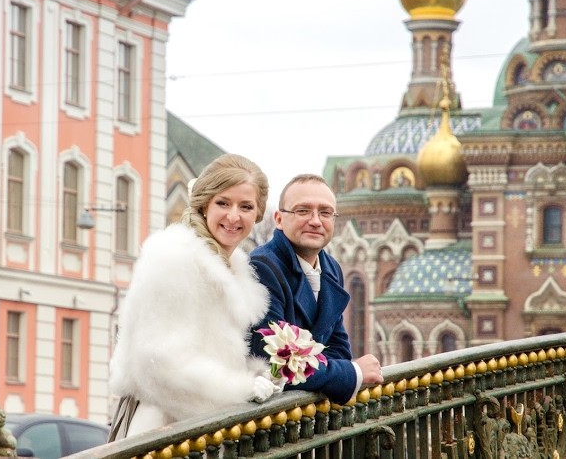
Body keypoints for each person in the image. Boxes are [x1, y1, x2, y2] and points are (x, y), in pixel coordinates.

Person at [108, 154, 279, 439]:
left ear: (257, 214)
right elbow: (158, 365)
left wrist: (261, 377)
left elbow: (215, 354)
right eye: (223, 203)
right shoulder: (173, 258)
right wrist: (240, 390)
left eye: (246, 206)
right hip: (163, 428)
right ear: (204, 205)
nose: (233, 216)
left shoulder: (234, 267)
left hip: (206, 429)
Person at [249, 174, 384, 405]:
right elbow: (275, 363)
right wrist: (354, 373)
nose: (315, 221)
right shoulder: (263, 268)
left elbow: (338, 349)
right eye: (303, 211)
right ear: (279, 219)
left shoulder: (331, 268)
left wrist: (330, 371)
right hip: (270, 415)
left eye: (325, 212)